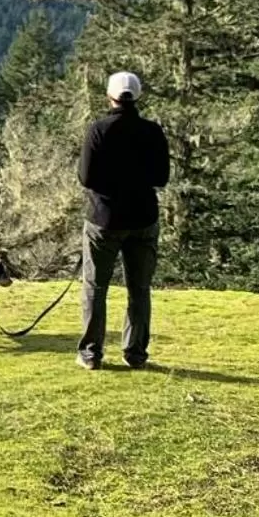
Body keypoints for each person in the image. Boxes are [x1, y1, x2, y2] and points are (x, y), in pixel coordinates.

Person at [76, 70, 170, 372]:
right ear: (138, 96)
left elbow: (86, 177)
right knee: (139, 289)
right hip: (143, 218)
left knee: (95, 286)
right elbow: (162, 178)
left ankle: (91, 353)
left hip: (104, 219)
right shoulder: (153, 131)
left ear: (110, 97)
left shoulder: (98, 130)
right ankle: (135, 353)